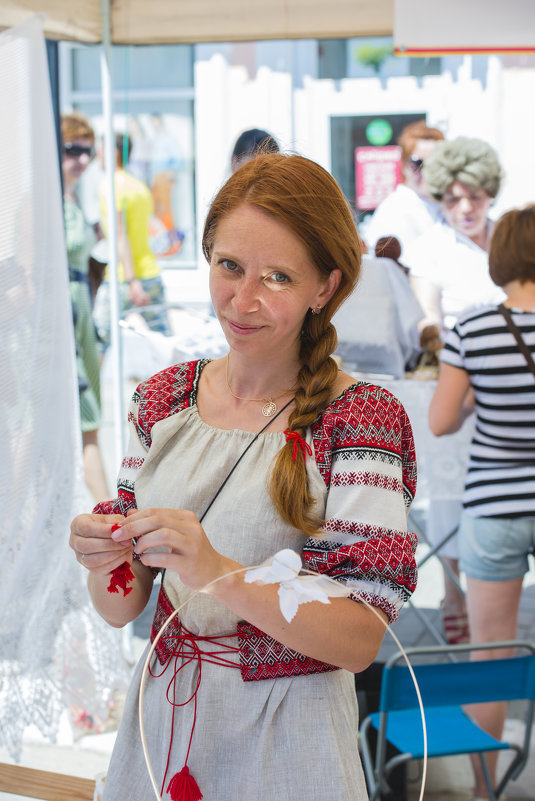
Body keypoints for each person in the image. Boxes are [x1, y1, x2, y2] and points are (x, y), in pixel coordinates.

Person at [69, 153, 418, 801]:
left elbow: (359, 639)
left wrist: (218, 571)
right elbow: (120, 606)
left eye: (277, 276)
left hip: (288, 737)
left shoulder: (359, 417)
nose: (243, 299)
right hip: (163, 726)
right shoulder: (162, 400)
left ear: (324, 287)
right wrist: (102, 555)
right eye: (228, 265)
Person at [429, 205, 535, 800]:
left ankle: (485, 788)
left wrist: (479, 403)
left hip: (494, 503)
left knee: (489, 651)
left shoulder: (471, 328)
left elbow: (442, 421)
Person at [405, 137, 506, 643]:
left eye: (476, 197)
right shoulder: (431, 249)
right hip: (458, 385)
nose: (465, 208)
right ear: (440, 197)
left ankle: (489, 591)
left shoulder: (510, 239)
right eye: (452, 199)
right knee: (451, 494)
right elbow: (427, 319)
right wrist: (448, 340)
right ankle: (452, 589)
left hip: (508, 387)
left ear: (491, 193)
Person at [61, 113, 110, 503]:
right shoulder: (45, 204)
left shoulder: (73, 199)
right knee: (80, 419)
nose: (80, 159)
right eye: (71, 149)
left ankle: (109, 512)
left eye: (87, 151)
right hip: (62, 323)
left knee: (88, 419)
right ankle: (109, 513)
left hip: (81, 319)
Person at [93, 133, 171, 350]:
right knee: (164, 344)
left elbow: (121, 234)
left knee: (98, 339)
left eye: (101, 149)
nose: (97, 155)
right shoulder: (138, 187)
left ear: (113, 152)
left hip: (124, 279)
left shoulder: (110, 185)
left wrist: (131, 281)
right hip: (150, 273)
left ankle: (92, 386)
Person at [363, 120, 445, 253]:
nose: (428, 171)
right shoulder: (395, 210)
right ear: (404, 165)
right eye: (419, 163)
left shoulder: (443, 205)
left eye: (436, 163)